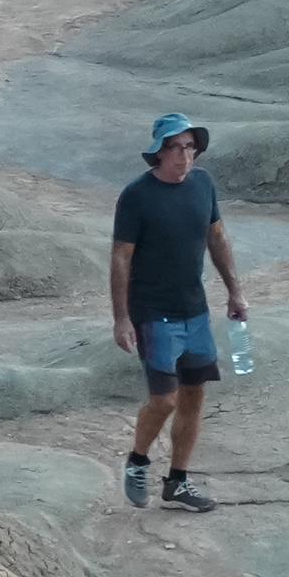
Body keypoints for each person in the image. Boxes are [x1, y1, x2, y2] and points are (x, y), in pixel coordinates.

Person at [110, 113, 246, 512]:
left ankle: (178, 482)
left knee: (194, 397)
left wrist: (235, 292)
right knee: (165, 400)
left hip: (195, 310)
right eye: (174, 148)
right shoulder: (137, 196)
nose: (184, 156)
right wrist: (121, 318)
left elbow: (217, 237)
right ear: (158, 153)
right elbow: (121, 257)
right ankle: (138, 460)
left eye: (190, 147)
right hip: (153, 313)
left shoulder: (203, 184)